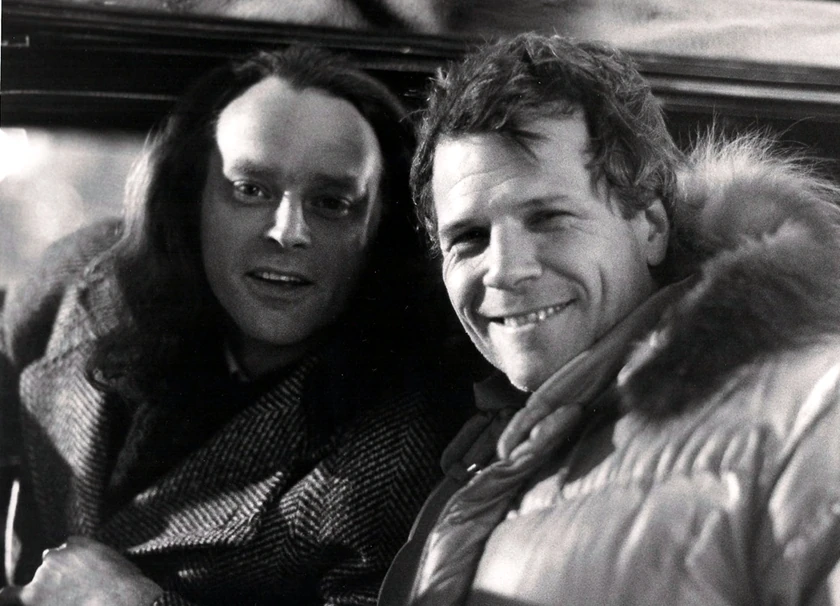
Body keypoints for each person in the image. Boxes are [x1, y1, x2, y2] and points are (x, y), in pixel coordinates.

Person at [378, 32, 840, 605]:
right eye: (469, 237)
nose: (505, 270)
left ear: (651, 226)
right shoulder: (497, 452)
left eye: (548, 218)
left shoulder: (810, 412)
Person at [0, 46, 467, 605]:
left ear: (382, 228)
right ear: (192, 196)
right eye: (251, 190)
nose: (288, 231)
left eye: (331, 202)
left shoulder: (402, 452)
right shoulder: (80, 281)